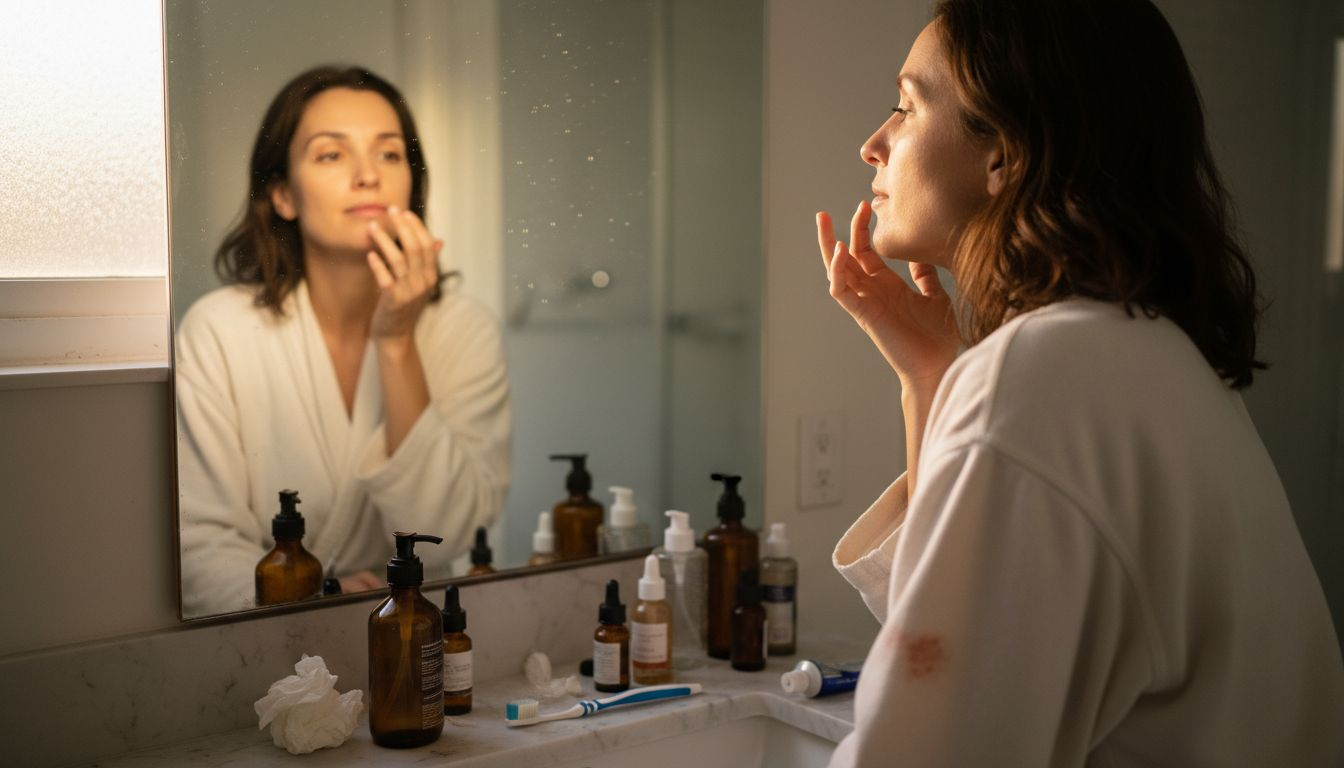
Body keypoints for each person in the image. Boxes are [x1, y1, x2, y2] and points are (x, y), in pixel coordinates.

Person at [817, 1, 1344, 765]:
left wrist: (971, 383)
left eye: (906, 105)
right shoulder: (1142, 350)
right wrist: (933, 377)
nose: (873, 143)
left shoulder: (1043, 377)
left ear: (1004, 151)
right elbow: (973, 644)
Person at [176, 66, 511, 616]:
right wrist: (321, 596)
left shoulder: (463, 330)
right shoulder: (219, 331)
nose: (367, 176)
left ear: (411, 183)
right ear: (283, 193)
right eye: (331, 155)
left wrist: (398, 343)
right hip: (263, 649)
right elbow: (198, 545)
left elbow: (446, 535)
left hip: (413, 642)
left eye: (388, 154)